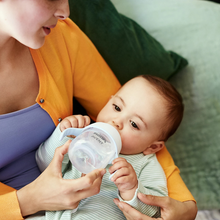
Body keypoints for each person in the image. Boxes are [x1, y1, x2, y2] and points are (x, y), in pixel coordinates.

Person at [0, 0, 197, 219]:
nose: (66, 11)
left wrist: (186, 207)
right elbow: (48, 159)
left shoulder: (61, 38)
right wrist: (28, 200)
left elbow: (146, 120)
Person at [36, 75, 186, 219]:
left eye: (134, 124)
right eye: (117, 107)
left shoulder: (145, 164)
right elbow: (43, 165)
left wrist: (131, 189)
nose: (116, 121)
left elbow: (156, 211)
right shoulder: (84, 135)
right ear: (109, 101)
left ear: (152, 146)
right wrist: (62, 134)